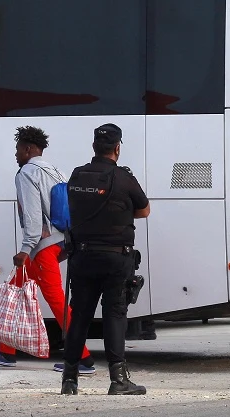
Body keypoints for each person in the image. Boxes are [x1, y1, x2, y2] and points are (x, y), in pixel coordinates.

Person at [0, 125, 95, 374]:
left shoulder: (27, 173)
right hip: (62, 240)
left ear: (29, 149)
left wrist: (25, 248)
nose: (16, 155)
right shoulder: (56, 171)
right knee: (17, 285)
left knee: (55, 297)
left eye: (18, 149)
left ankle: (81, 358)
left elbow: (32, 215)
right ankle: (6, 352)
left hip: (43, 245)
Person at [60, 124, 151, 396]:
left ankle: (69, 379)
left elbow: (74, 207)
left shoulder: (77, 176)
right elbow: (144, 211)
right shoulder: (124, 178)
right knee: (114, 315)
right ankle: (119, 380)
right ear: (118, 148)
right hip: (115, 258)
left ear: (93, 147)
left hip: (82, 256)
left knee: (80, 317)